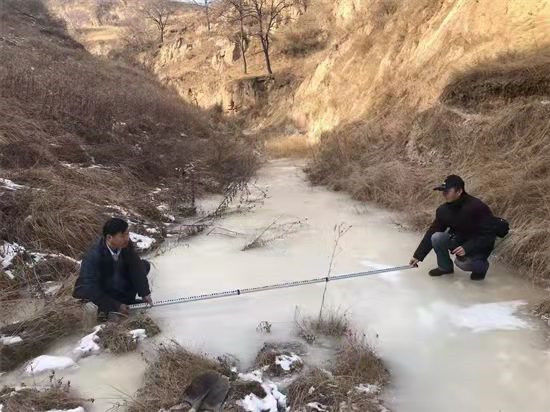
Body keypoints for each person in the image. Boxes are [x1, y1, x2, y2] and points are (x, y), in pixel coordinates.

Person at [409, 175, 496, 281]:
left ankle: (481, 267)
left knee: (463, 264)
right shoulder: (443, 210)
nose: (444, 194)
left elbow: (489, 235)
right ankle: (445, 267)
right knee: (437, 237)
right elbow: (432, 231)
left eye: (447, 191)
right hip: (459, 241)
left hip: (478, 245)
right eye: (443, 191)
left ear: (459, 191)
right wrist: (418, 256)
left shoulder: (477, 207)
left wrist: (467, 247)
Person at [73, 218, 153, 316]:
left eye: (127, 234)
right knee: (100, 285)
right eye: (122, 235)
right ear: (109, 237)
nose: (127, 238)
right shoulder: (94, 255)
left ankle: (127, 301)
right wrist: (115, 305)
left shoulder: (125, 244)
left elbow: (136, 266)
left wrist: (144, 293)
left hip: (115, 281)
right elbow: (89, 286)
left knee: (143, 265)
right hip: (99, 289)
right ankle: (107, 309)